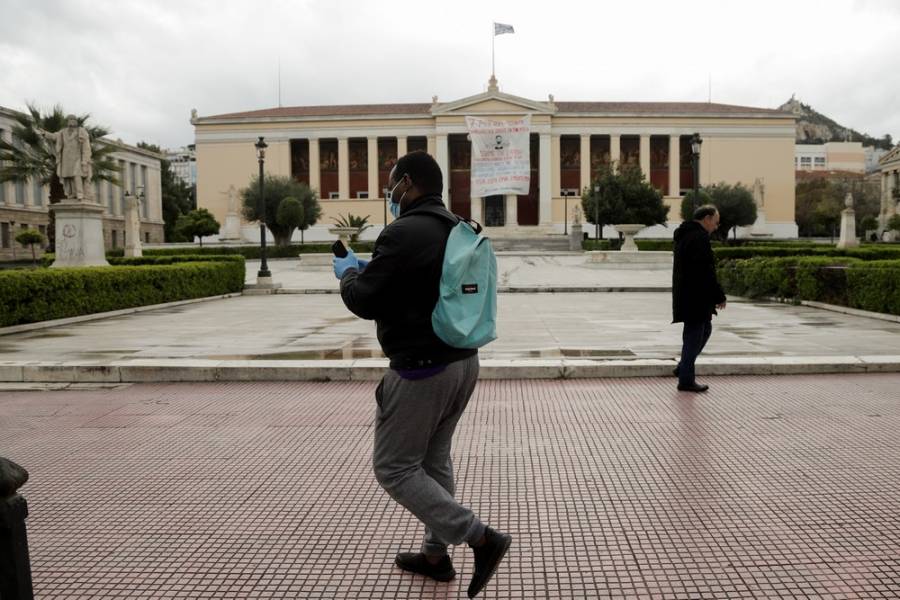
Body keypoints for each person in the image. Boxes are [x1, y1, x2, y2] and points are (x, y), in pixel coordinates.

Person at [332, 150, 511, 598]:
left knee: (393, 468)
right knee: (434, 461)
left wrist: (348, 273)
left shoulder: (402, 232)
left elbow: (365, 300)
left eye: (392, 183)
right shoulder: (459, 227)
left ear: (406, 183)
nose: (389, 193)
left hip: (420, 370)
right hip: (463, 361)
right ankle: (435, 556)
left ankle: (480, 537)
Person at [672, 204, 727, 392]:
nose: (716, 227)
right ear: (707, 218)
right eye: (716, 222)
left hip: (687, 295)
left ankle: (683, 368)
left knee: (702, 331)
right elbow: (706, 271)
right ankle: (686, 379)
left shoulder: (684, 235)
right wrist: (719, 296)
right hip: (696, 296)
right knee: (694, 336)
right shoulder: (699, 238)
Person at [52, 115, 92, 201]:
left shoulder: (81, 131)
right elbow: (54, 136)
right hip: (66, 158)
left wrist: (84, 160)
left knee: (77, 175)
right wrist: (45, 134)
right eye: (69, 119)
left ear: (76, 121)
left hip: (77, 157)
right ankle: (72, 194)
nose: (71, 121)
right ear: (67, 121)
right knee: (68, 177)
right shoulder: (63, 132)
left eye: (73, 119)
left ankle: (80, 194)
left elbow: (86, 147)